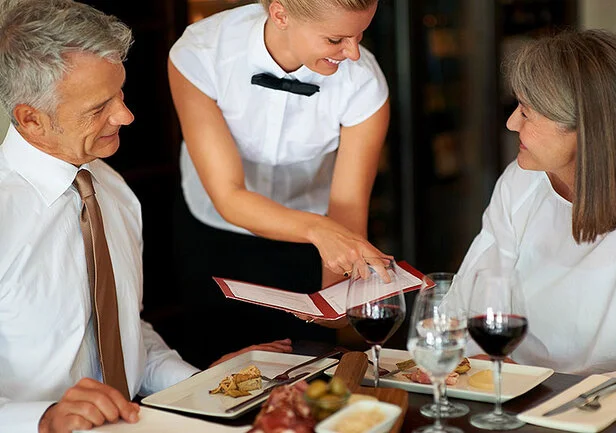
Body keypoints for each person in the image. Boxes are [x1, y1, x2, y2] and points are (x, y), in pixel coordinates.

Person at [0, 2, 291, 432]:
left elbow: (123, 335)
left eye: (120, 94)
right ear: (31, 118)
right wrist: (41, 419)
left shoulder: (112, 191)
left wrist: (202, 382)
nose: (125, 115)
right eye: (99, 107)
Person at [168, 0, 391, 366]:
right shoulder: (202, 52)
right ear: (281, 14)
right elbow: (229, 195)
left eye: (359, 34)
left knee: (308, 373)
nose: (353, 53)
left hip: (311, 247)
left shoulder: (364, 80)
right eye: (336, 39)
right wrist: (322, 231)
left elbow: (348, 208)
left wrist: (332, 302)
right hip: (213, 232)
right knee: (215, 373)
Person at [448, 29, 616, 380]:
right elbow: (468, 306)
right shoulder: (520, 182)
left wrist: (542, 390)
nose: (511, 123)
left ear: (585, 128)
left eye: (527, 112)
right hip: (510, 399)